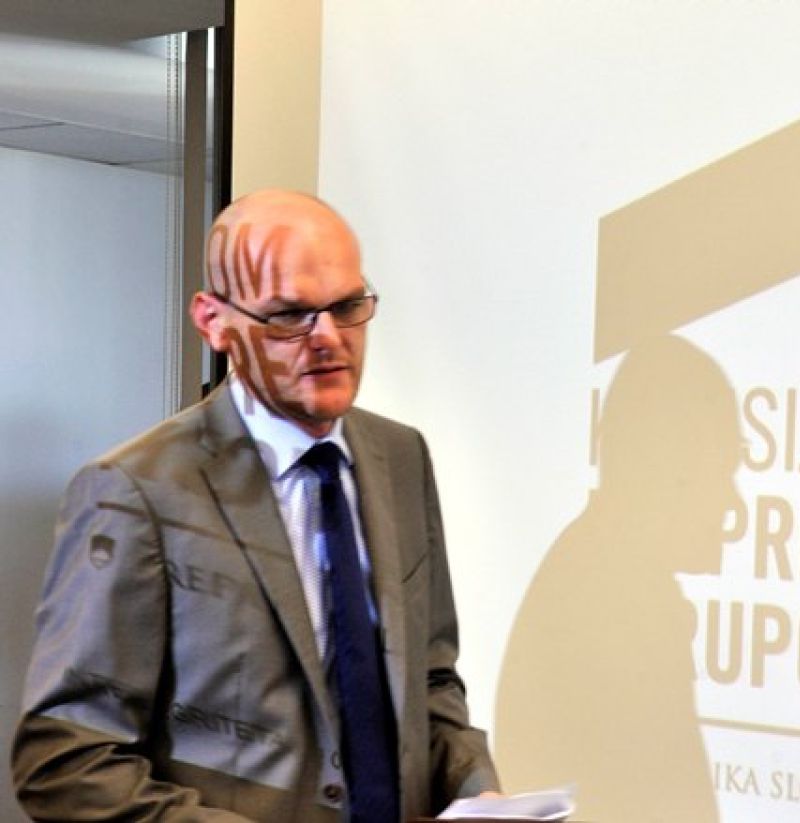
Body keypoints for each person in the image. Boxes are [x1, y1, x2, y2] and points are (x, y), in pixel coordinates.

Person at [11, 190, 500, 821]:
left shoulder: (401, 457)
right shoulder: (135, 491)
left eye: (348, 306)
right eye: (289, 315)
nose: (328, 338)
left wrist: (477, 793)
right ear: (214, 321)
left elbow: (429, 684)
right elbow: (65, 763)